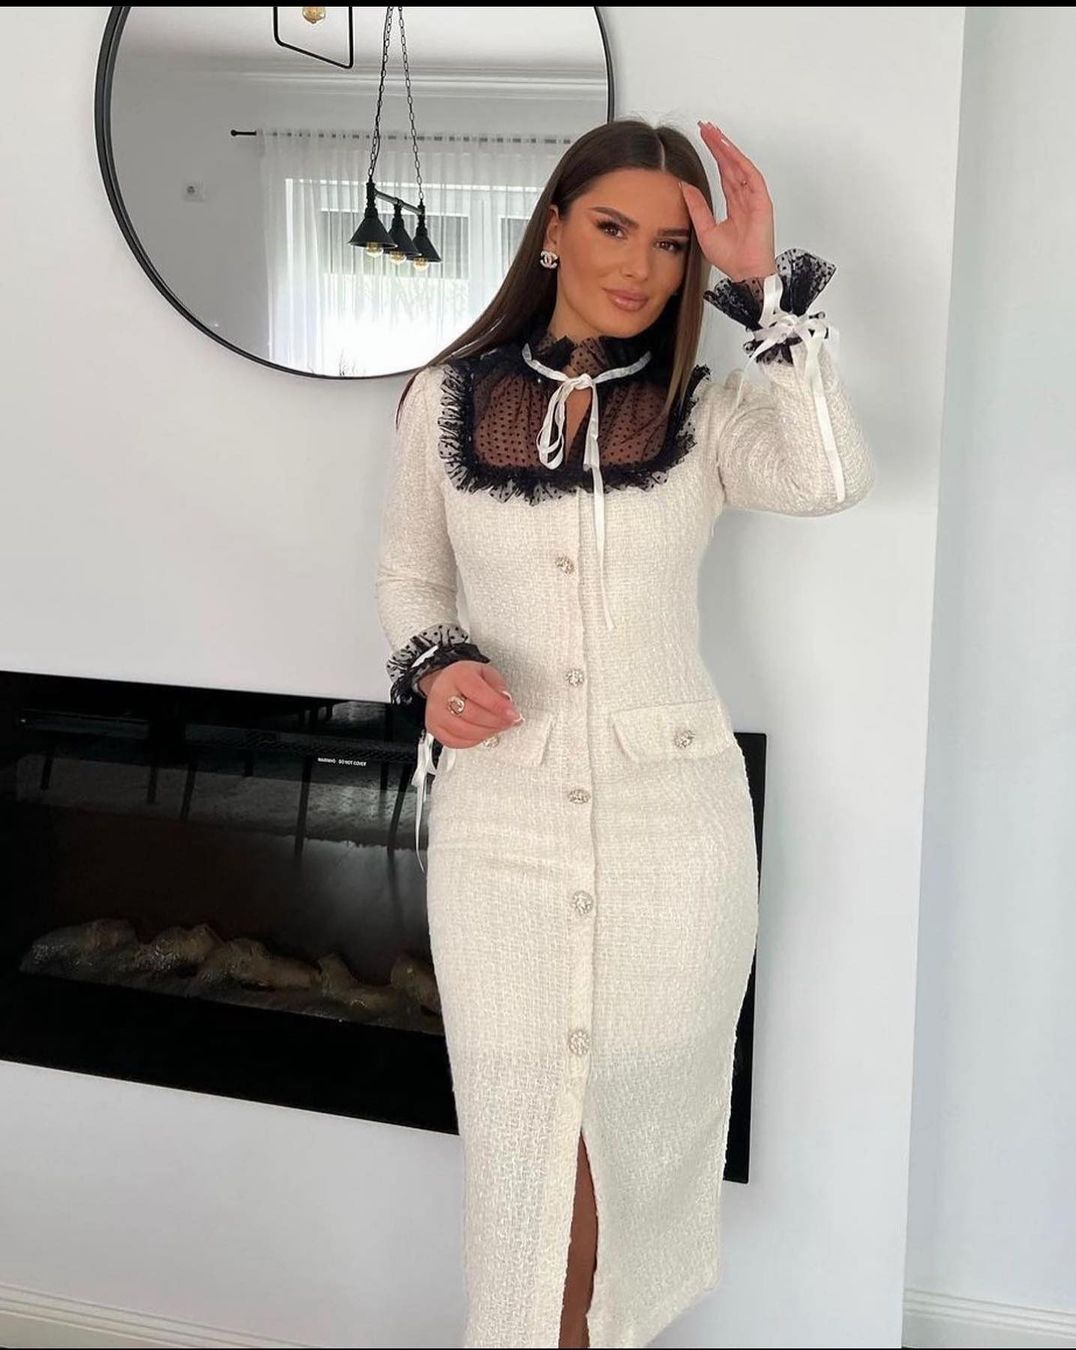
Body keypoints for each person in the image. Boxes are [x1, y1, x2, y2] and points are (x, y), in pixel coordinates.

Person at [375, 116, 874, 1350]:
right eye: (612, 226)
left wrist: (764, 291)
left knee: (627, 1158)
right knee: (524, 1153)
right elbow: (411, 579)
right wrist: (438, 668)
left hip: (675, 836)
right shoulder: (446, 398)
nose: (640, 266)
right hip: (500, 830)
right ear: (553, 228)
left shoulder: (703, 409)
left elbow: (829, 477)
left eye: (670, 244)